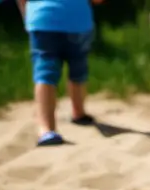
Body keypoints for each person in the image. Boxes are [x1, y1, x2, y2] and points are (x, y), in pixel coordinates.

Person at [16, 0, 103, 147]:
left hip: (42, 19)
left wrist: (27, 16)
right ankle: (78, 111)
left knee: (45, 73)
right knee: (78, 68)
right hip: (77, 20)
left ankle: (46, 129)